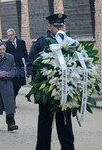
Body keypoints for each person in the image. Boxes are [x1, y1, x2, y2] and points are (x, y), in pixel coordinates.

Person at [28, 13, 75, 150]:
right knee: (44, 123)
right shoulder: (41, 43)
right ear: (49, 27)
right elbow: (31, 64)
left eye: (61, 25)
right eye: (56, 25)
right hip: (47, 91)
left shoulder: (70, 42)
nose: (59, 28)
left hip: (65, 91)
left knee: (65, 123)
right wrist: (42, 80)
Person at [5, 28, 28, 105]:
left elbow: (25, 53)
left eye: (11, 35)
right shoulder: (6, 44)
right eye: (8, 36)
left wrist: (27, 63)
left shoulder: (21, 42)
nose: (10, 37)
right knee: (12, 84)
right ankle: (12, 100)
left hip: (20, 66)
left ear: (14, 35)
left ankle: (13, 97)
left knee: (19, 85)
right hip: (11, 67)